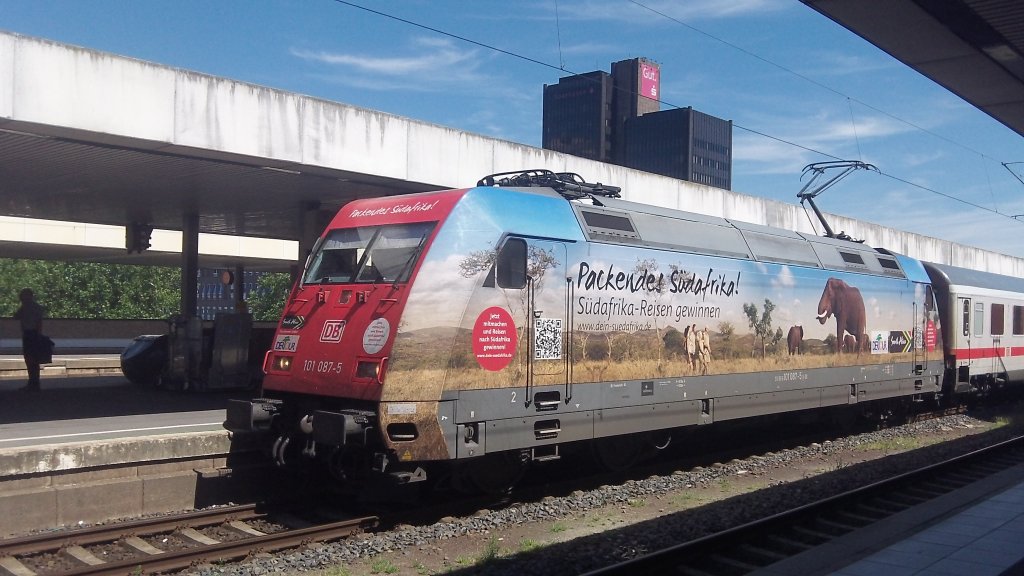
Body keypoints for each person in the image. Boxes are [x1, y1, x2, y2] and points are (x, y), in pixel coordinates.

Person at [13, 288, 46, 392]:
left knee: (31, 359)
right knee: (32, 360)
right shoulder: (34, 307)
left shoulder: (28, 307)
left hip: (31, 334)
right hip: (32, 334)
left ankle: (33, 383)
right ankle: (34, 383)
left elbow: (16, 317)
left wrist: (38, 335)